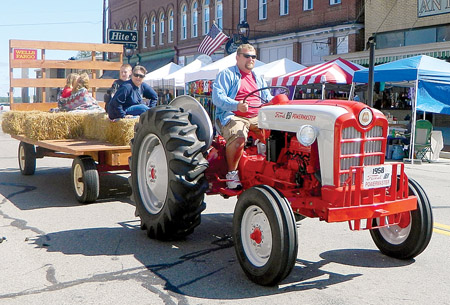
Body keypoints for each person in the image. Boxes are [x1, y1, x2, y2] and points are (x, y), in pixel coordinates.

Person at [212, 44, 272, 190]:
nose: (251, 59)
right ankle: (232, 175)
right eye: (247, 56)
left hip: (257, 116)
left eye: (253, 57)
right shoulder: (227, 74)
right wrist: (236, 105)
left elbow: (267, 97)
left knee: (278, 133)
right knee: (239, 136)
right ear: (237, 57)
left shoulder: (258, 77)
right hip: (233, 115)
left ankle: (269, 167)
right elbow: (217, 97)